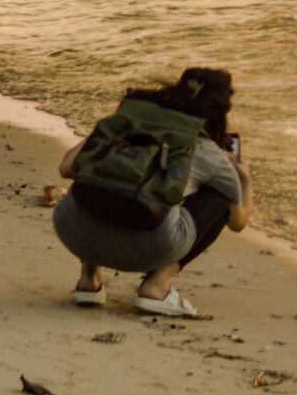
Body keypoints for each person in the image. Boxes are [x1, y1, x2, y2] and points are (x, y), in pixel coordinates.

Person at [52, 66, 251, 317]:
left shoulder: (126, 122)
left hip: (73, 231)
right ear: (219, 114)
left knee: (102, 174)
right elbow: (238, 222)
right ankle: (157, 284)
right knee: (219, 199)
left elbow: (67, 168)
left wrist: (108, 133)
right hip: (148, 250)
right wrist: (244, 178)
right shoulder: (211, 155)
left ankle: (89, 279)